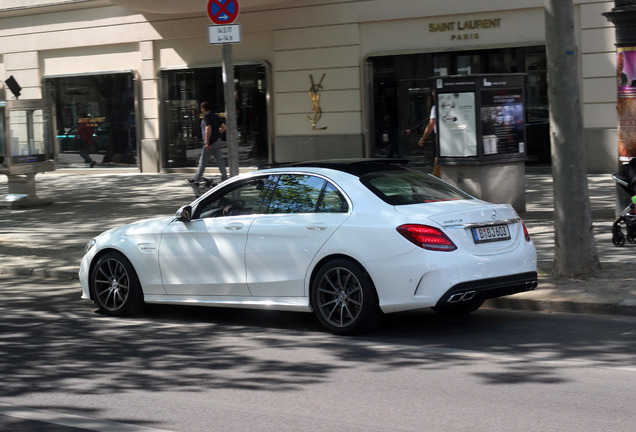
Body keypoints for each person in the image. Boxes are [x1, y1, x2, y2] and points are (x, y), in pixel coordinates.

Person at [189, 101, 227, 183]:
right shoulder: (215, 116)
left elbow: (208, 128)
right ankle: (225, 178)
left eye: (201, 108)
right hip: (217, 141)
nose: (201, 110)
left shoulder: (206, 117)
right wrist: (217, 133)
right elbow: (224, 127)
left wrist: (207, 142)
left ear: (203, 109)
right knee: (220, 161)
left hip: (210, 143)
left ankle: (196, 179)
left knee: (202, 162)